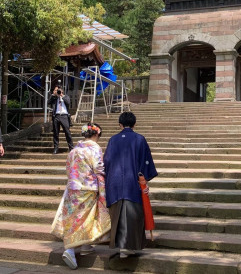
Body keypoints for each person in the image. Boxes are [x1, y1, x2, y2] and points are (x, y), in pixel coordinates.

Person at [51, 122, 111, 270]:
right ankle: (70, 250)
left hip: (73, 188)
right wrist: (104, 188)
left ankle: (86, 244)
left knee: (75, 216)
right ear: (96, 134)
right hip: (88, 188)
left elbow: (68, 168)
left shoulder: (75, 149)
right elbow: (98, 168)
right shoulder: (94, 148)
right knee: (83, 217)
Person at [104, 112, 158, 258]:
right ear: (134, 124)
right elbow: (146, 162)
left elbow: (107, 161)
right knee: (132, 214)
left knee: (117, 214)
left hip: (114, 182)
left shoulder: (113, 140)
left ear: (120, 125)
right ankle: (128, 246)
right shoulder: (140, 139)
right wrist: (144, 179)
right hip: (132, 182)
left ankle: (120, 246)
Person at [48, 84, 73, 154]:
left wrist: (61, 95)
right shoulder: (54, 98)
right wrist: (53, 95)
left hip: (64, 116)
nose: (57, 91)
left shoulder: (66, 97)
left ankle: (71, 148)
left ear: (62, 91)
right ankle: (56, 148)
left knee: (67, 132)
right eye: (56, 90)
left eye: (58, 90)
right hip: (56, 116)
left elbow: (68, 102)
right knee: (56, 133)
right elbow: (48, 102)